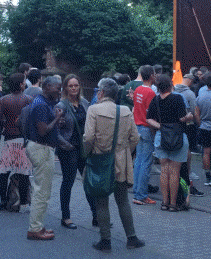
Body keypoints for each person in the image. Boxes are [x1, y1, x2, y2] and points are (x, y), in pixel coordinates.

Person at [84, 78, 145, 252]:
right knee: (123, 200)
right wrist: (124, 151)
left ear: (101, 93)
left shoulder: (93, 110)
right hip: (121, 162)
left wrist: (87, 153)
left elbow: (88, 138)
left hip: (99, 160)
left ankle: (105, 241)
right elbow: (135, 138)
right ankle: (132, 238)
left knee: (101, 201)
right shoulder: (125, 110)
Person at [25, 76, 72, 241]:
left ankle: (38, 225)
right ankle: (35, 229)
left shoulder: (43, 102)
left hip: (42, 148)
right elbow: (43, 131)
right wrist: (57, 118)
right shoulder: (41, 105)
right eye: (57, 88)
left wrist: (56, 120)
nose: (59, 91)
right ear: (46, 87)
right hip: (41, 149)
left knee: (42, 191)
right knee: (41, 192)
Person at [146, 75, 192, 211]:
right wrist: (189, 117)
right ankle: (173, 204)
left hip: (161, 137)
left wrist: (161, 127)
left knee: (164, 171)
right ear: (171, 85)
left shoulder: (155, 100)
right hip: (177, 136)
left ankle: (164, 202)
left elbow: (148, 119)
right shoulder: (177, 98)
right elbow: (182, 118)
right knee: (174, 172)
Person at [55, 74, 95, 229]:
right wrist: (65, 145)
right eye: (70, 86)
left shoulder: (84, 103)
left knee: (89, 182)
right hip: (68, 149)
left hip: (83, 149)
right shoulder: (61, 105)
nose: (73, 88)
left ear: (79, 87)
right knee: (68, 182)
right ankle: (65, 217)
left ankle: (96, 215)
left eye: (76, 85)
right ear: (65, 87)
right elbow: (55, 130)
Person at [0, 73, 33, 211]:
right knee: (23, 173)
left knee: (4, 173)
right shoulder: (28, 99)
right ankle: (23, 202)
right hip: (23, 140)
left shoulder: (4, 100)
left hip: (9, 139)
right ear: (21, 84)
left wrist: (7, 124)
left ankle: (3, 201)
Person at [131, 65, 157, 205]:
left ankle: (137, 192)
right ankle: (141, 195)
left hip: (137, 127)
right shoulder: (151, 93)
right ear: (152, 76)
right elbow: (150, 115)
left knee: (139, 161)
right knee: (146, 163)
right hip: (146, 128)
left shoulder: (137, 90)